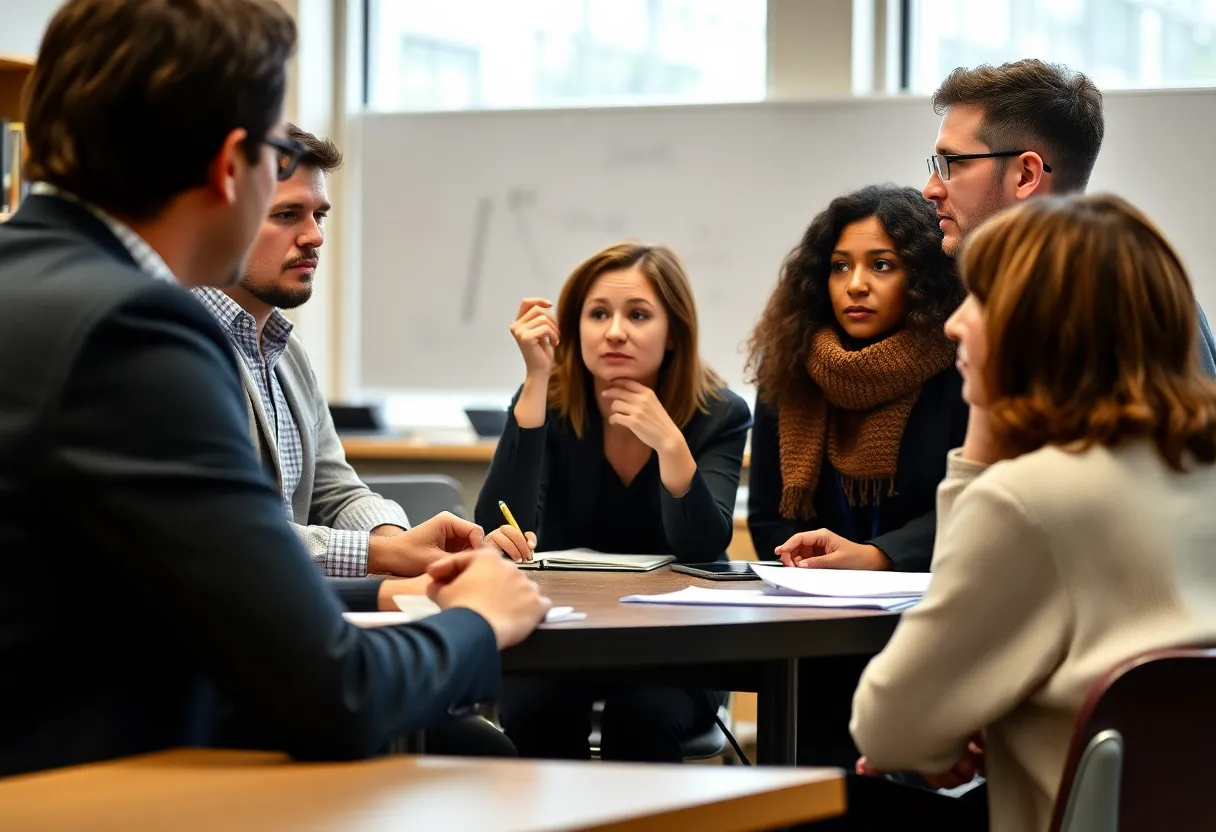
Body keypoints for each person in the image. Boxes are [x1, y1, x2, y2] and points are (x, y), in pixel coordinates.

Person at [0, 0, 548, 778]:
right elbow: (331, 694)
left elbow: (149, 599)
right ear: (232, 167)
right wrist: (478, 625)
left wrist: (383, 593)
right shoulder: (133, 331)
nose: (313, 232)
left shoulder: (32, 281)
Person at [851, 193, 1216, 832]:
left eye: (981, 301)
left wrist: (982, 445)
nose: (953, 324)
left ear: (1044, 326)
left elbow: (886, 731)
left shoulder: (1030, 499)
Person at [743, 185, 970, 827]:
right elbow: (768, 515)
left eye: (882, 265)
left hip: (924, 622)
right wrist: (802, 567)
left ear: (922, 277)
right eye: (840, 266)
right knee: (800, 793)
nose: (856, 285)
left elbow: (973, 505)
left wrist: (877, 558)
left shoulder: (962, 370)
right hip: (814, 628)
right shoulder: (792, 368)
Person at [474, 242, 751, 761]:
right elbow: (497, 528)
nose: (615, 331)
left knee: (643, 717)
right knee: (537, 713)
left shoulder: (719, 413)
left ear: (674, 333)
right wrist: (535, 382)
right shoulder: (548, 401)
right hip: (559, 642)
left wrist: (670, 443)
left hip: (676, 653)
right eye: (598, 314)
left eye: (638, 314)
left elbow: (702, 547)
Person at [192, 124, 419, 579]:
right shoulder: (180, 348)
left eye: (319, 216)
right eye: (287, 215)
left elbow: (334, 492)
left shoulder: (286, 349)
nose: (314, 236)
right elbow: (224, 526)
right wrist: (382, 556)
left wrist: (405, 542)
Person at [923, 58, 1216, 374]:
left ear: (1025, 175)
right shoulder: (982, 295)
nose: (931, 189)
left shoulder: (1131, 309)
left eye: (950, 163)